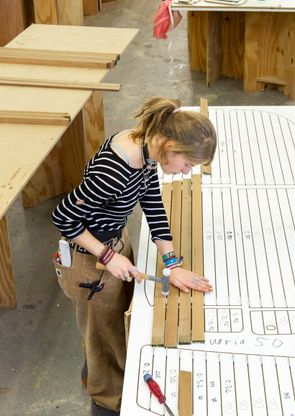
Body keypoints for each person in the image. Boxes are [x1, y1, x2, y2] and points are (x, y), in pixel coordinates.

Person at [52, 97, 216, 416]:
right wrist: (108, 256)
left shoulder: (148, 149)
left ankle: (98, 365)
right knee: (103, 337)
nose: (186, 172)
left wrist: (172, 264)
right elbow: (63, 216)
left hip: (113, 242)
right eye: (187, 164)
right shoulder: (114, 170)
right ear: (170, 146)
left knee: (113, 323)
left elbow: (152, 202)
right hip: (88, 260)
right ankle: (107, 401)